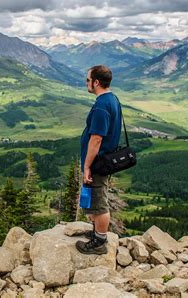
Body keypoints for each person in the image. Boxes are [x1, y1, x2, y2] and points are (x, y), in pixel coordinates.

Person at [76, 65, 122, 255]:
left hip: (98, 161)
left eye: (88, 80)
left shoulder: (102, 106)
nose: (86, 83)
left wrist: (87, 166)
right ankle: (97, 232)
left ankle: (100, 242)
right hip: (104, 159)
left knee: (99, 202)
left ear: (96, 82)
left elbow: (96, 138)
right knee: (96, 198)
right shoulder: (113, 99)